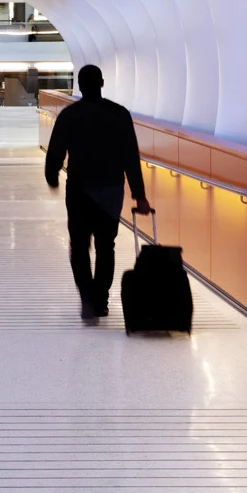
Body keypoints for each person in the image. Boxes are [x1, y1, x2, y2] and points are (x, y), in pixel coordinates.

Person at [43, 64, 152, 320]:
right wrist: (140, 195)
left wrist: (52, 175)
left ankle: (88, 299)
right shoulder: (119, 114)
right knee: (106, 247)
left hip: (79, 190)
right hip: (111, 192)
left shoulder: (69, 115)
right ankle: (101, 299)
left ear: (79, 85)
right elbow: (130, 157)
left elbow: (56, 149)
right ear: (102, 83)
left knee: (79, 247)